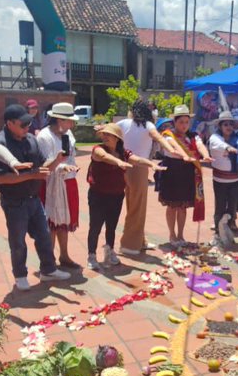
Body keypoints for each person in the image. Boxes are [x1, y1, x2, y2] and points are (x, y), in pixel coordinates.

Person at [0, 104, 72, 291]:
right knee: (18, 241)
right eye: (23, 125)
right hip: (14, 201)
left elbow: (43, 165)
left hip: (33, 198)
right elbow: (1, 178)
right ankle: (20, 275)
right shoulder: (0, 144)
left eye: (29, 124)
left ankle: (48, 270)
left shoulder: (30, 139)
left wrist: (57, 161)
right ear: (10, 123)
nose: (27, 128)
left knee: (44, 236)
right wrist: (31, 175)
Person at [86, 123, 163, 269]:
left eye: (109, 135)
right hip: (98, 195)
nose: (105, 137)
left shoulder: (124, 152)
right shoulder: (98, 149)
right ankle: (91, 255)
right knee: (95, 226)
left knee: (111, 226)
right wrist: (118, 162)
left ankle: (109, 251)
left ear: (117, 139)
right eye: (104, 134)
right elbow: (104, 156)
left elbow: (137, 159)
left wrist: (151, 165)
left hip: (116, 195)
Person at [116, 100, 169, 255]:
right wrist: (171, 148)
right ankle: (129, 245)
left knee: (132, 205)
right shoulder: (148, 125)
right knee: (137, 207)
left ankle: (140, 240)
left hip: (124, 166)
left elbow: (107, 131)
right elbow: (157, 138)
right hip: (139, 169)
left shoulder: (123, 123)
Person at [36, 103, 82, 270]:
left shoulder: (67, 134)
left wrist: (71, 166)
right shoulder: (44, 137)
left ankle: (64, 255)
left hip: (68, 180)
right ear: (60, 119)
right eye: (69, 121)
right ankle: (49, 261)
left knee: (64, 221)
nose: (72, 124)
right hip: (50, 184)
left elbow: (69, 156)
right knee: (51, 223)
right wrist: (63, 166)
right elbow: (46, 162)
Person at [157, 105, 211, 245]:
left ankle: (180, 235)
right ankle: (172, 235)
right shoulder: (168, 135)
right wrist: (184, 156)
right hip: (172, 172)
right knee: (172, 205)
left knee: (182, 206)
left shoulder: (193, 136)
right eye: (181, 122)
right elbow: (174, 147)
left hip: (187, 173)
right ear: (174, 122)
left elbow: (200, 146)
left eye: (187, 122)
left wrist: (205, 155)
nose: (184, 125)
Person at [208, 111, 238, 245]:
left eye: (231, 124)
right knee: (220, 207)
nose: (229, 127)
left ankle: (228, 231)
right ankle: (218, 234)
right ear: (220, 126)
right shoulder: (215, 138)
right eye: (226, 124)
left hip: (236, 180)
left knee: (232, 207)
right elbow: (217, 145)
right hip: (220, 180)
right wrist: (228, 147)